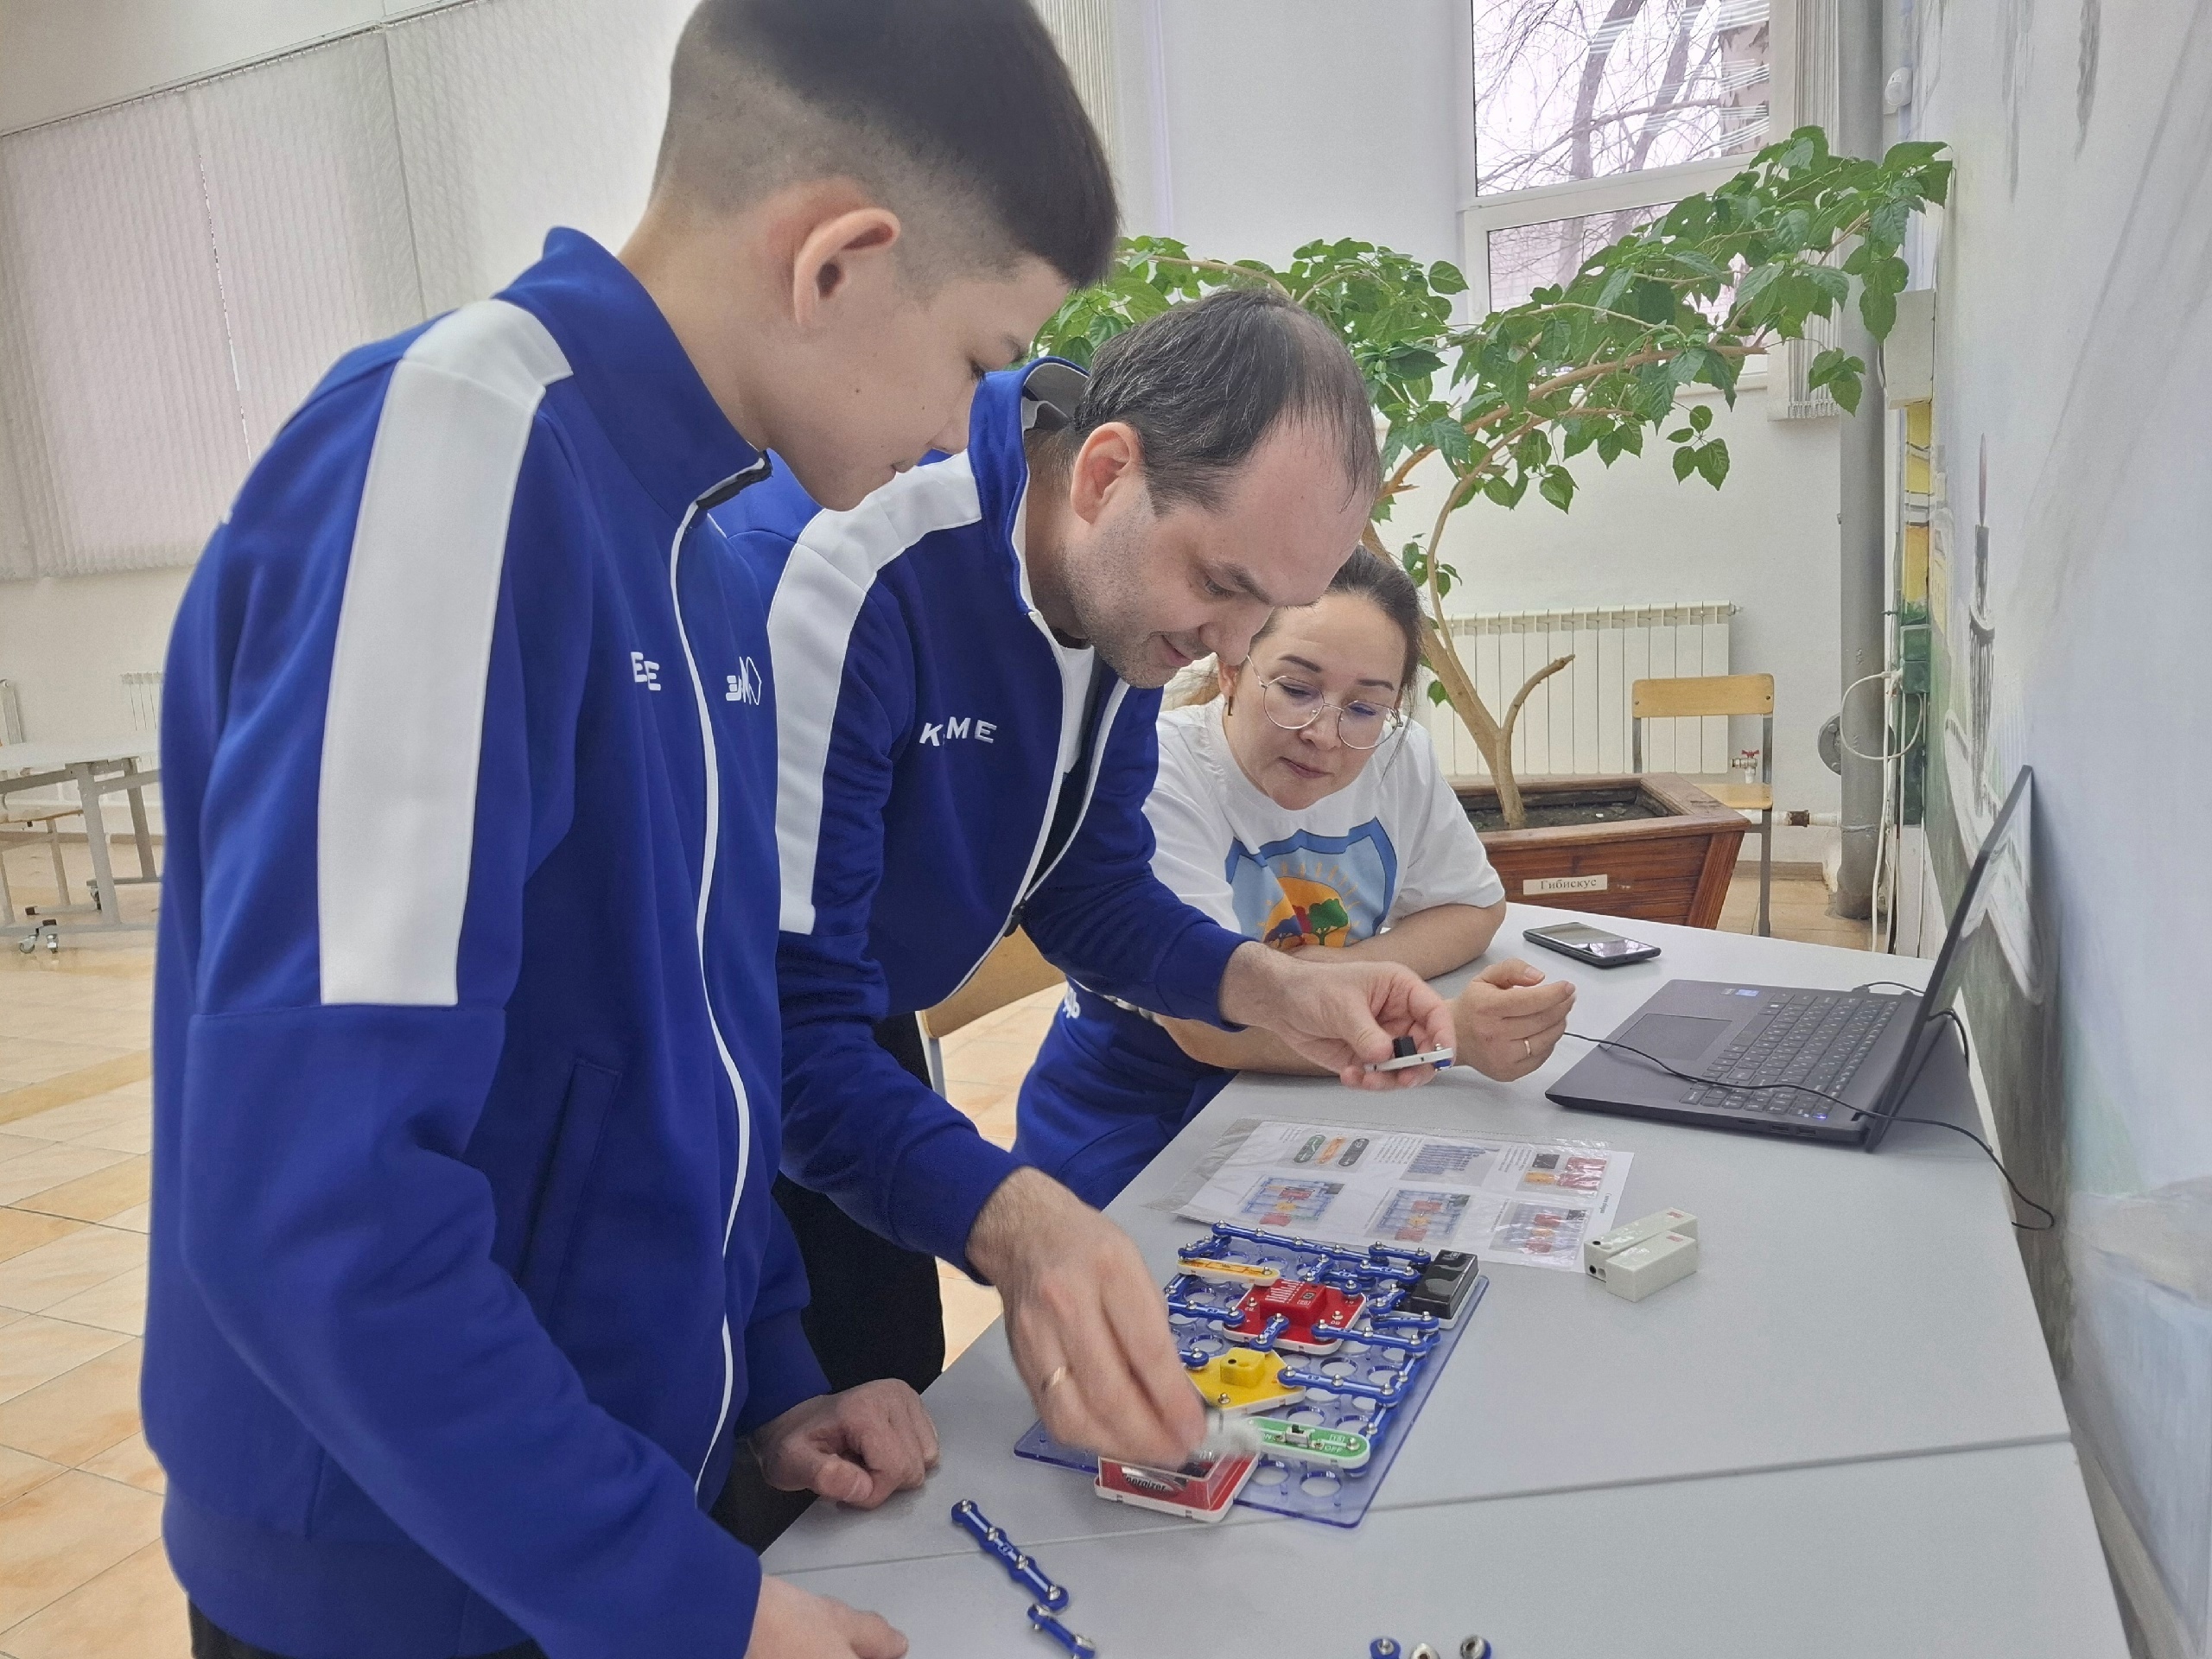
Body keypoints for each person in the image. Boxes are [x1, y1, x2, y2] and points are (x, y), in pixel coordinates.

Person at [143, 3, 1121, 1656]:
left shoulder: (702, 549)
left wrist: (772, 1385)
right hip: (399, 1583)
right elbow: (321, 1207)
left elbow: (696, 1053)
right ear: (838, 260)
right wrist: (693, 1607)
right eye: (980, 361)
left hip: (595, 1513)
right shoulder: (461, 451)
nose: (963, 431)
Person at [716, 288, 1456, 1474]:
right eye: (1222, 585)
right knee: (767, 1462)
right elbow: (774, 1023)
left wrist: (1275, 989)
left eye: (1268, 607)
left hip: (847, 1037)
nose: (1231, 648)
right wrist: (1017, 1220)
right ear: (1107, 473)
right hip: (729, 1068)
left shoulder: (1123, 593)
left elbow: (1086, 888)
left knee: (890, 1404)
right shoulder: (848, 571)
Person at [1014, 549, 1579, 1206]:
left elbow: (1473, 909)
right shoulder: (1156, 770)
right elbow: (1207, 1030)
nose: (1326, 734)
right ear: (1231, 668)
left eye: (1366, 707)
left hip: (1315, 1082)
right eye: (1296, 689)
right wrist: (1447, 1036)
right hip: (1138, 1105)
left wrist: (1335, 974)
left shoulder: (1396, 757)